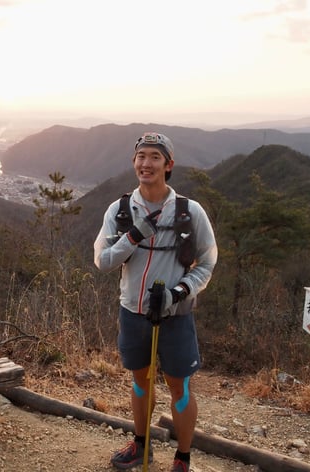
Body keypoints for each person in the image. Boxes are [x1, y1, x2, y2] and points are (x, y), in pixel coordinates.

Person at [93, 132, 217, 472]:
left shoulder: (190, 212)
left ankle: (183, 457)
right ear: (134, 161)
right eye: (141, 156)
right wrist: (134, 235)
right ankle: (141, 445)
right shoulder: (120, 210)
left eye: (154, 157)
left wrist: (180, 291)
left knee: (180, 385)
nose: (146, 163)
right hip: (133, 311)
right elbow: (102, 261)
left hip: (175, 315)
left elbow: (207, 262)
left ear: (168, 165)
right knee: (140, 380)